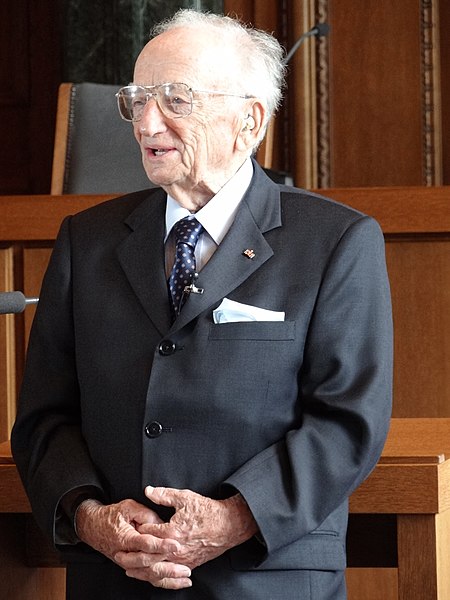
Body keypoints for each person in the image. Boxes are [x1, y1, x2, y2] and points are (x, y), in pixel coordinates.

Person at [11, 8, 393, 600]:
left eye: (175, 99)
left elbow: (347, 422)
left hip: (266, 579)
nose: (146, 121)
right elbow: (45, 418)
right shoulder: (86, 240)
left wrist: (234, 517)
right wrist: (91, 518)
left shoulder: (336, 242)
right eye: (137, 100)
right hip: (115, 578)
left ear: (249, 119)